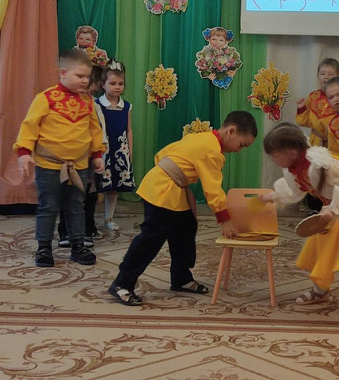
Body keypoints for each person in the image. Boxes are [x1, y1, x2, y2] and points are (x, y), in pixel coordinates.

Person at [108, 111, 258, 306]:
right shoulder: (212, 150)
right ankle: (122, 283)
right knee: (150, 239)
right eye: (241, 145)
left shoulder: (202, 137)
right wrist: (225, 220)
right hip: (162, 191)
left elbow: (163, 153)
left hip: (170, 187)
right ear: (231, 131)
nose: (239, 151)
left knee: (185, 228)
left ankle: (181, 278)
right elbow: (213, 189)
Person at [261, 123, 339, 334]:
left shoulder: (321, 164)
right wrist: (275, 196)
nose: (272, 159)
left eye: (274, 155)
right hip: (335, 203)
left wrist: (333, 209)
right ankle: (320, 291)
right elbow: (296, 190)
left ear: (291, 152)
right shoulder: (294, 167)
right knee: (320, 244)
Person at [15, 49, 106, 268]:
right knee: (49, 206)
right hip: (49, 166)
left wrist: (97, 154)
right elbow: (30, 125)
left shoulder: (88, 102)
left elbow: (95, 130)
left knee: (76, 206)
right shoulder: (45, 98)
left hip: (79, 166)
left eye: (87, 77)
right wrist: (24, 152)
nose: (85, 81)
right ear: (63, 73)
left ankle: (78, 246)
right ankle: (44, 248)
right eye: (80, 76)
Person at [57, 64, 106, 249]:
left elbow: (100, 131)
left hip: (89, 158)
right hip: (68, 157)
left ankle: (87, 230)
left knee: (88, 195)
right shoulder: (62, 102)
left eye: (88, 82)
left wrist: (100, 154)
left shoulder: (94, 105)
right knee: (67, 194)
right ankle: (65, 231)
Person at [94, 60, 135, 231]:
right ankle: (88, 222)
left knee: (114, 187)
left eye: (120, 83)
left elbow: (129, 130)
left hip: (119, 150)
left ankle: (108, 218)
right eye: (112, 83)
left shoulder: (126, 106)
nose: (117, 87)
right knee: (97, 185)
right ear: (103, 84)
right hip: (102, 151)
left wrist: (130, 152)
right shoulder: (97, 105)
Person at [296, 58, 339, 147]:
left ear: (338, 77)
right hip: (316, 141)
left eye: (330, 74)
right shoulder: (313, 97)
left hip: (335, 142)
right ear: (318, 76)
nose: (326, 77)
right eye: (322, 74)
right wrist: (301, 109)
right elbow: (304, 121)